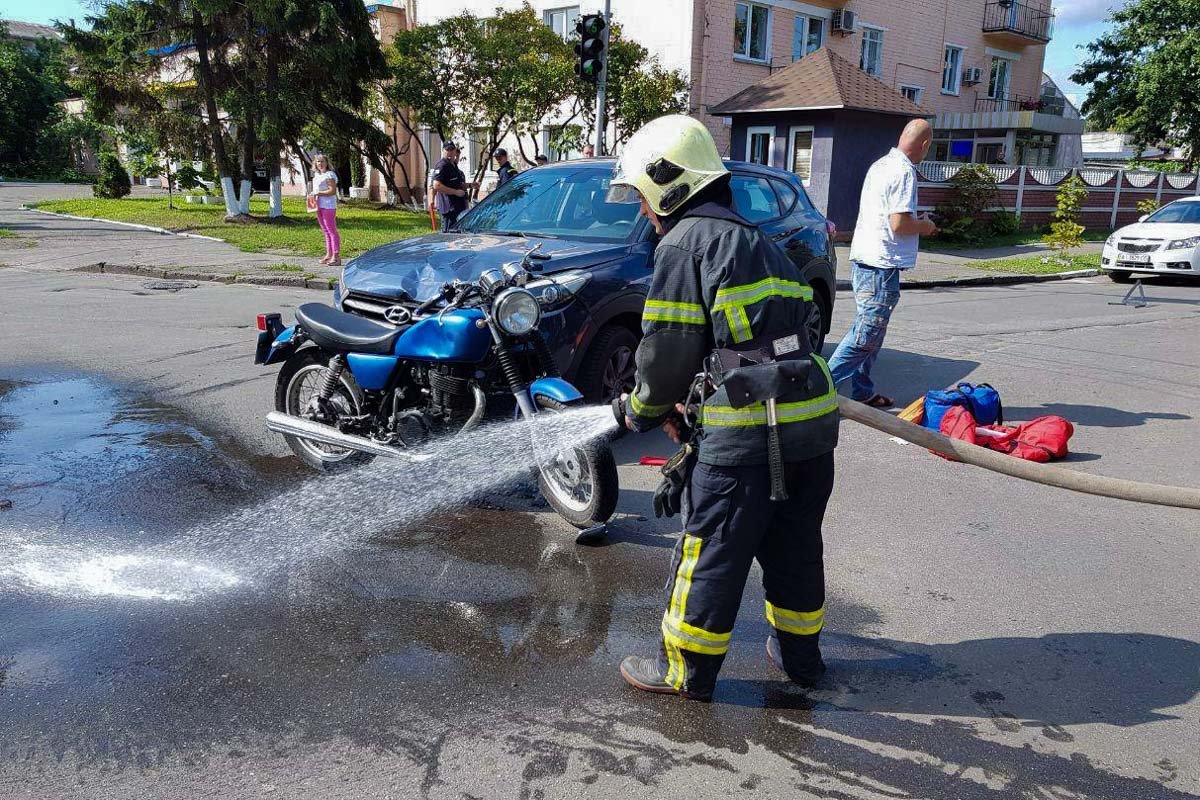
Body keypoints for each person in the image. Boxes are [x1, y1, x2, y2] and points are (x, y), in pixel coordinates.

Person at [608, 115, 839, 702]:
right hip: (810, 430)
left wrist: (641, 408)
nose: (641, 210)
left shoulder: (685, 244)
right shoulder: (765, 242)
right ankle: (801, 661)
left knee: (711, 551)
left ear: (669, 184)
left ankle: (687, 672)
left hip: (746, 441)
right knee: (794, 547)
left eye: (641, 195)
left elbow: (668, 351)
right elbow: (779, 335)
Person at [826, 119, 938, 408]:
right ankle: (817, 393)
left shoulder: (881, 165)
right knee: (867, 335)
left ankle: (862, 391)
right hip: (880, 264)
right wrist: (925, 226)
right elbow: (899, 223)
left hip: (868, 259)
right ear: (925, 145)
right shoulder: (903, 172)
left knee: (870, 331)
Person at [309, 154, 341, 266]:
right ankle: (329, 254)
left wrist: (319, 193)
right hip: (319, 206)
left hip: (328, 206)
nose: (320, 164)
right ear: (315, 164)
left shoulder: (329, 175)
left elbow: (332, 191)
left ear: (327, 163)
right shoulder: (317, 175)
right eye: (318, 162)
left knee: (332, 231)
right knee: (326, 231)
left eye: (322, 161)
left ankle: (336, 256)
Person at [431, 142, 469, 230]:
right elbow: (436, 185)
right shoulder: (442, 165)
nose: (450, 152)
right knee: (448, 237)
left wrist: (470, 185)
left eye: (452, 150)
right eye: (447, 150)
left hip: (458, 207)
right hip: (449, 209)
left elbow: (458, 184)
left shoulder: (453, 165)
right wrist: (455, 192)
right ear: (443, 151)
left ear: (455, 151)